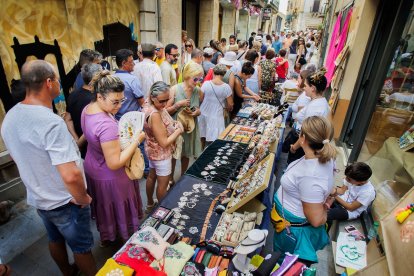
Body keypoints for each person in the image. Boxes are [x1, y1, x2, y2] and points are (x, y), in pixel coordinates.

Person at [1, 60, 96, 275]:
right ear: (48, 82)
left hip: (40, 198)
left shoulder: (11, 116)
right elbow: (71, 174)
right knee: (82, 247)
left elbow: (18, 158)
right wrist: (82, 198)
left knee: (54, 238)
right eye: (58, 80)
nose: (60, 84)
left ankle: (67, 271)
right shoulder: (50, 122)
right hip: (65, 200)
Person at [81, 70, 146, 246]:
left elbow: (88, 137)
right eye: (115, 102)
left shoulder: (88, 109)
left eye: (121, 100)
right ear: (100, 97)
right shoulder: (106, 124)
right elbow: (115, 162)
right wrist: (137, 140)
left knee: (106, 207)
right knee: (118, 207)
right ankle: (125, 242)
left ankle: (108, 237)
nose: (119, 106)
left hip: (94, 167)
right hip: (111, 176)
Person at [273, 116, 337, 266]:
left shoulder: (311, 175)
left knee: (285, 266)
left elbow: (316, 220)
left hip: (294, 230)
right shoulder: (323, 157)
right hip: (290, 223)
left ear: (303, 138)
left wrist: (326, 205)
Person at [144, 81, 184, 213]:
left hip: (152, 150)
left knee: (151, 176)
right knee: (163, 184)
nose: (165, 104)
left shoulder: (148, 106)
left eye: (167, 99)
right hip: (161, 154)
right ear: (152, 97)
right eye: (162, 101)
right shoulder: (155, 114)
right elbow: (164, 142)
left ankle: (150, 204)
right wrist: (178, 131)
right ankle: (162, 212)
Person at [166, 62, 204, 177]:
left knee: (186, 153)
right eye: (195, 79)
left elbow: (198, 108)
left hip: (190, 128)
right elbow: (165, 111)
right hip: (176, 129)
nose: (198, 82)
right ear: (187, 76)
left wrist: (197, 112)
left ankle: (183, 175)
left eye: (200, 79)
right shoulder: (174, 90)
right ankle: (171, 178)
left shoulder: (198, 91)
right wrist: (177, 105)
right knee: (173, 154)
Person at [288, 69, 330, 164]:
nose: (304, 88)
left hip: (304, 147)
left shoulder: (315, 107)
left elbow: (307, 134)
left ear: (313, 88)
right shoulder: (319, 102)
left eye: (306, 85)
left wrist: (294, 147)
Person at [66, 63, 102, 158]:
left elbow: (67, 119)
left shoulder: (72, 95)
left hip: (80, 147)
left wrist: (76, 138)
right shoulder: (96, 99)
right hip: (93, 146)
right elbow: (89, 127)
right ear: (97, 77)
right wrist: (80, 143)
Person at [327, 162, 376, 230]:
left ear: (361, 182)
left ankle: (323, 234)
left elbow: (351, 208)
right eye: (347, 177)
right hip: (341, 200)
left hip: (349, 212)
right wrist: (330, 189)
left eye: (349, 179)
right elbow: (342, 190)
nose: (346, 179)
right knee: (321, 199)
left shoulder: (368, 193)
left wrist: (334, 195)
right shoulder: (351, 178)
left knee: (326, 214)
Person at [199, 64, 234, 148]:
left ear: (213, 72)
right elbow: (230, 104)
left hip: (204, 112)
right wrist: (228, 108)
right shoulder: (226, 87)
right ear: (224, 74)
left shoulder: (206, 84)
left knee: (202, 135)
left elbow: (201, 98)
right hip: (217, 114)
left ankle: (199, 155)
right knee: (215, 139)